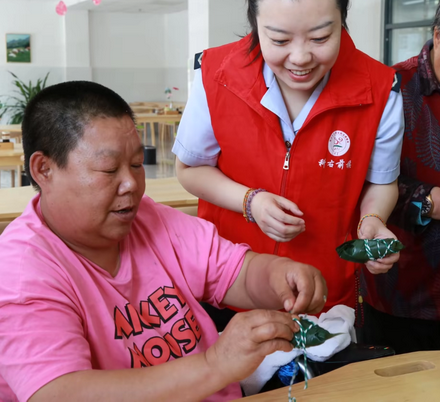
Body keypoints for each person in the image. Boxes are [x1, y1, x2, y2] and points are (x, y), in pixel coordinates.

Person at [0, 81, 328, 402]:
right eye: (108, 168)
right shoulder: (21, 269)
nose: (131, 183)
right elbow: (59, 392)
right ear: (44, 170)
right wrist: (214, 365)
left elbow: (236, 272)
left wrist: (278, 275)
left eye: (137, 164)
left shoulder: (150, 220)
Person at [173, 0, 404, 320]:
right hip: (228, 282)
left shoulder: (381, 89)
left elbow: (382, 183)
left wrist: (372, 222)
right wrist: (251, 202)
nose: (300, 58)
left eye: (319, 38)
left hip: (324, 293)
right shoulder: (215, 74)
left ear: (342, 19)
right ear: (255, 25)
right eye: (279, 40)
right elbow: (190, 170)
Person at [360, 0, 440, 353]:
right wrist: (434, 202)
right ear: (439, 35)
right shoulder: (390, 89)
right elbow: (360, 184)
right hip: (410, 296)